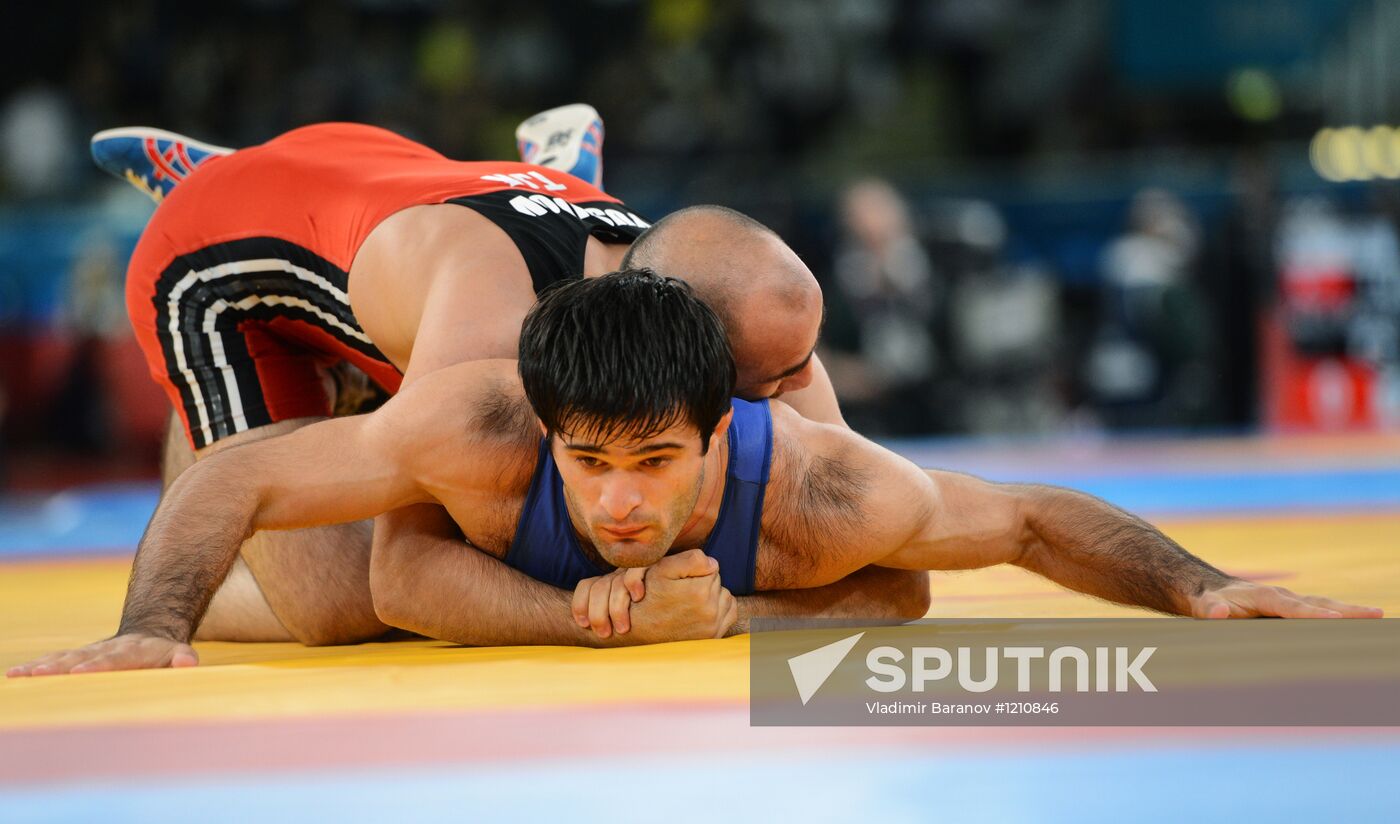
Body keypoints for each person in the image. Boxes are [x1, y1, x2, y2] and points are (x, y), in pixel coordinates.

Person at [10, 270, 1379, 676]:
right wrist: (151, 626)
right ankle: (281, 296)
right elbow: (244, 491)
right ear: (549, 437)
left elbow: (1016, 522)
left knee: (322, 615)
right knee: (333, 586)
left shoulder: (828, 492)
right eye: (590, 464)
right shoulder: (487, 429)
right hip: (402, 390)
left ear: (720, 435)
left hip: (555, 469)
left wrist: (1196, 591)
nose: (617, 505)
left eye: (656, 463)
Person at [84, 107, 878, 649]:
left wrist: (732, 613)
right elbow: (405, 579)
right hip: (220, 268)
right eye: (765, 381)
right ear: (690, 347)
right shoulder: (486, 337)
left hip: (431, 198)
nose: (797, 388)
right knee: (336, 605)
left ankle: (559, 174)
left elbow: (861, 524)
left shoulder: (712, 278)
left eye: (798, 361)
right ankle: (217, 188)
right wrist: (609, 619)